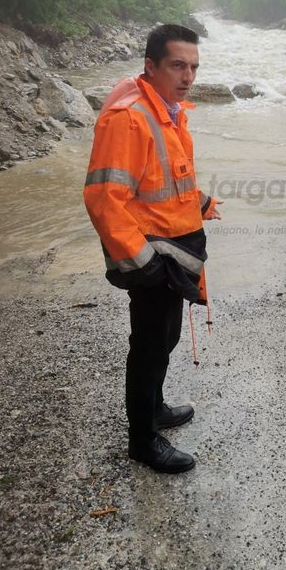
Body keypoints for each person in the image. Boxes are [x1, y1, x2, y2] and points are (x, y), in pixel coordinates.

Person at [83, 24, 220, 474]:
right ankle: (143, 440)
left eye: (194, 67)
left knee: (166, 338)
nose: (188, 77)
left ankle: (155, 407)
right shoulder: (129, 119)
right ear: (150, 66)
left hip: (171, 250)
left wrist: (202, 203)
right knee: (148, 346)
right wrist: (144, 265)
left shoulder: (167, 110)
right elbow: (104, 199)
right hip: (151, 255)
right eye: (178, 65)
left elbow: (165, 176)